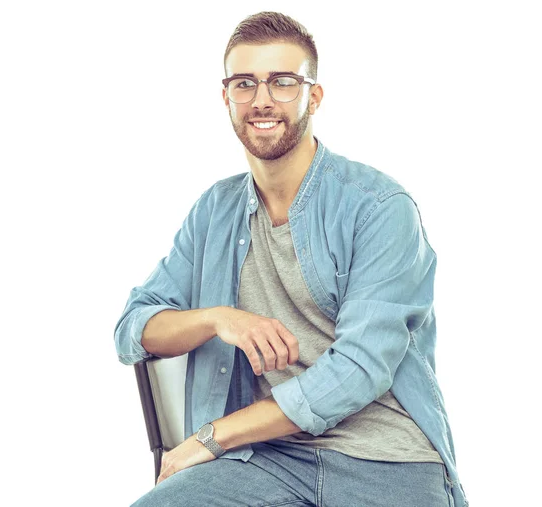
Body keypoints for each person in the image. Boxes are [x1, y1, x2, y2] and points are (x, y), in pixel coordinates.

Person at [114, 11, 468, 507]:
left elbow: (359, 367)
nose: (261, 99)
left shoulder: (380, 208)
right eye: (245, 83)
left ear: (313, 96)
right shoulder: (214, 212)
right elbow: (133, 330)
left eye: (282, 82)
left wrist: (214, 435)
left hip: (388, 461)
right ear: (226, 97)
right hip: (268, 462)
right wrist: (220, 318)